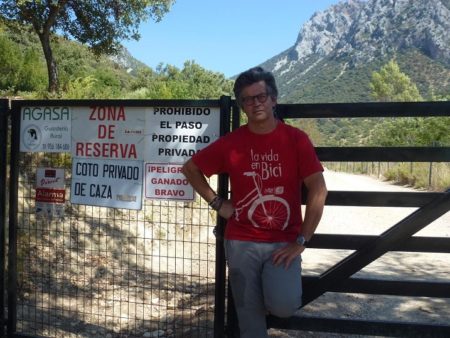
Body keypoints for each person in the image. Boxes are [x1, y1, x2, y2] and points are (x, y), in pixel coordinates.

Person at [182, 67, 327, 337]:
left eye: (261, 96)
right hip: (241, 240)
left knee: (284, 305)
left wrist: (302, 241)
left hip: (284, 241)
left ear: (273, 99)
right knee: (248, 316)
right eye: (248, 99)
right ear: (243, 106)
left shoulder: (296, 139)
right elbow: (190, 168)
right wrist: (217, 203)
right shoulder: (232, 143)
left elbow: (318, 189)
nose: (256, 103)